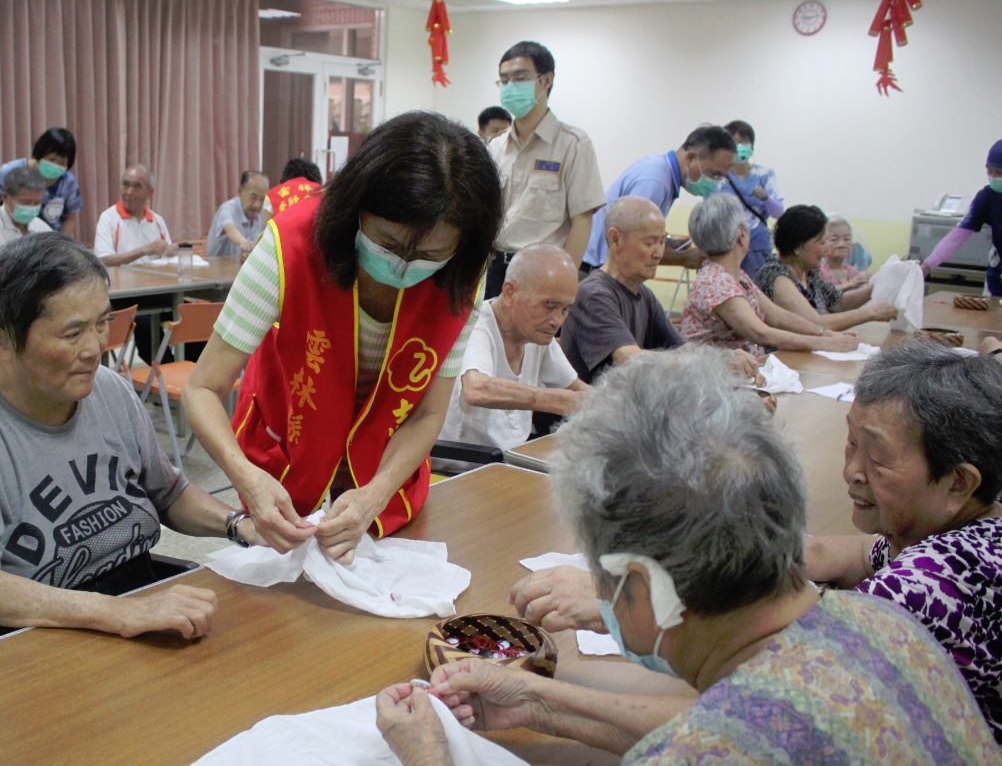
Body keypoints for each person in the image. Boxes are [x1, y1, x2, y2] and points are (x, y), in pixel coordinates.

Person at [377, 347, 997, 764]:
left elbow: (724, 728)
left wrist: (432, 754)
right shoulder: (885, 626)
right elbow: (746, 712)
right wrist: (536, 699)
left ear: (641, 589)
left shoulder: (698, 751)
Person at [0, 233, 264, 641]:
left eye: (103, 324)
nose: (96, 348)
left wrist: (240, 525)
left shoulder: (109, 391)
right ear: (1, 342)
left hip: (127, 598)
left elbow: (168, 493)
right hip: (31, 634)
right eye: (72, 333)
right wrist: (120, 613)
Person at [186, 111, 501, 565]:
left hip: (384, 475)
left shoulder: (466, 272)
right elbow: (202, 388)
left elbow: (428, 412)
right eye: (388, 242)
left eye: (430, 254)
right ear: (355, 209)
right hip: (284, 460)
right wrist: (248, 480)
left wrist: (374, 494)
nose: (404, 266)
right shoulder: (289, 245)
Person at [805, 339, 1002, 743]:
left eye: (877, 459)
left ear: (958, 483)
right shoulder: (974, 519)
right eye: (852, 444)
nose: (852, 472)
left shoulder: (924, 587)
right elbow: (863, 553)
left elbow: (774, 706)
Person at [558, 197, 759, 384]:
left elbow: (684, 349)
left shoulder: (643, 294)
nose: (659, 253)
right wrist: (719, 362)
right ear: (615, 239)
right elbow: (630, 359)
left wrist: (724, 358)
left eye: (662, 242)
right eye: (650, 242)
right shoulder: (594, 295)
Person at [438, 245, 589, 457]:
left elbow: (579, 391)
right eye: (549, 305)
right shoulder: (476, 325)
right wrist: (559, 400)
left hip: (510, 461)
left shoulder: (537, 335)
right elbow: (476, 388)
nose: (557, 320)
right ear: (510, 293)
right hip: (462, 467)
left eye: (565, 309)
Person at [486, 41, 604, 296]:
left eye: (520, 78)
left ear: (546, 80)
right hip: (495, 269)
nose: (510, 87)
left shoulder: (572, 144)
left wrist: (565, 281)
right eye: (504, 80)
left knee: (538, 338)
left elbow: (582, 220)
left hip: (543, 273)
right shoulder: (495, 147)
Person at [681, 195, 859, 357]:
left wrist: (826, 334)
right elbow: (759, 332)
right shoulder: (716, 281)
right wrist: (826, 343)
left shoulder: (735, 274)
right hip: (720, 378)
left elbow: (777, 316)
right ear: (741, 235)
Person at [581, 125, 738, 274]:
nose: (715, 183)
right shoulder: (656, 182)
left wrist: (669, 243)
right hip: (593, 269)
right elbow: (631, 245)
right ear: (690, 158)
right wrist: (683, 258)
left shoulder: (662, 174)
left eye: (721, 178)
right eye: (714, 174)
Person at [754, 205, 896, 331]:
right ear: (797, 247)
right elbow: (814, 324)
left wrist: (877, 287)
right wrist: (870, 313)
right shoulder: (775, 275)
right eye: (822, 242)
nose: (827, 249)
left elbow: (837, 303)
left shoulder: (809, 271)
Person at [922, 139, 1002, 293]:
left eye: (998, 172)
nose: (993, 177)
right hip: (997, 272)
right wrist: (928, 265)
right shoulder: (986, 197)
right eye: (989, 171)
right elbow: (959, 234)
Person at [0, 127, 83, 237]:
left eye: (62, 163)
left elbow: (69, 218)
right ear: (39, 154)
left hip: (48, 243)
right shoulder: (8, 172)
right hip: (7, 237)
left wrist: (61, 243)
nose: (55, 165)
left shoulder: (68, 181)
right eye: (52, 159)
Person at [713, 120, 784, 279]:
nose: (739, 146)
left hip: (756, 246)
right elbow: (709, 211)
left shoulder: (765, 174)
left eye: (743, 141)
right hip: (724, 246)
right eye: (734, 142)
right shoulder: (717, 174)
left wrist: (766, 198)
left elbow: (778, 212)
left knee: (758, 292)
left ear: (752, 145)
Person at [0, 165, 52, 274]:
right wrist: (14, 266)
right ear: (5, 198)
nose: (31, 207)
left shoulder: (43, 228)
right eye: (25, 202)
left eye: (37, 203)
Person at [92, 165, 173, 267]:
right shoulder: (108, 218)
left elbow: (168, 256)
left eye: (137, 186)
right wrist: (143, 250)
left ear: (150, 193)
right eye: (125, 185)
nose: (129, 192)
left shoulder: (158, 221)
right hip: (121, 282)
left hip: (156, 280)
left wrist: (175, 250)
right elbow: (103, 260)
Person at [206, 170, 270, 259]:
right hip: (217, 270)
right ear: (240, 191)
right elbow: (230, 229)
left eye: (262, 199)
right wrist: (243, 243)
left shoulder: (261, 214)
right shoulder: (227, 209)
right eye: (253, 197)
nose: (257, 205)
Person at [818, 214, 870, 291]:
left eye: (847, 239)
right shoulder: (817, 272)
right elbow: (821, 297)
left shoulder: (854, 272)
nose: (841, 244)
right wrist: (851, 283)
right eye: (834, 239)